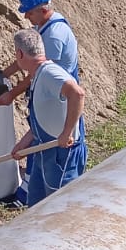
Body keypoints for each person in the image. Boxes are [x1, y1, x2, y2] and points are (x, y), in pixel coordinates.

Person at [8, 27, 87, 206]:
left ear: (20, 54)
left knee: (60, 208)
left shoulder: (50, 73)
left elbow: (77, 94)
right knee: (36, 204)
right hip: (43, 150)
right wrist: (25, 142)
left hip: (61, 154)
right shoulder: (38, 75)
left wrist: (67, 133)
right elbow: (46, 117)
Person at [0, 0, 79, 109]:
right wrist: (2, 76)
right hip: (49, 90)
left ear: (43, 11)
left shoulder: (53, 36)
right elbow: (27, 58)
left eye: (30, 12)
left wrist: (11, 95)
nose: (26, 16)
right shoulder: (43, 24)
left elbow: (38, 72)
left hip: (59, 98)